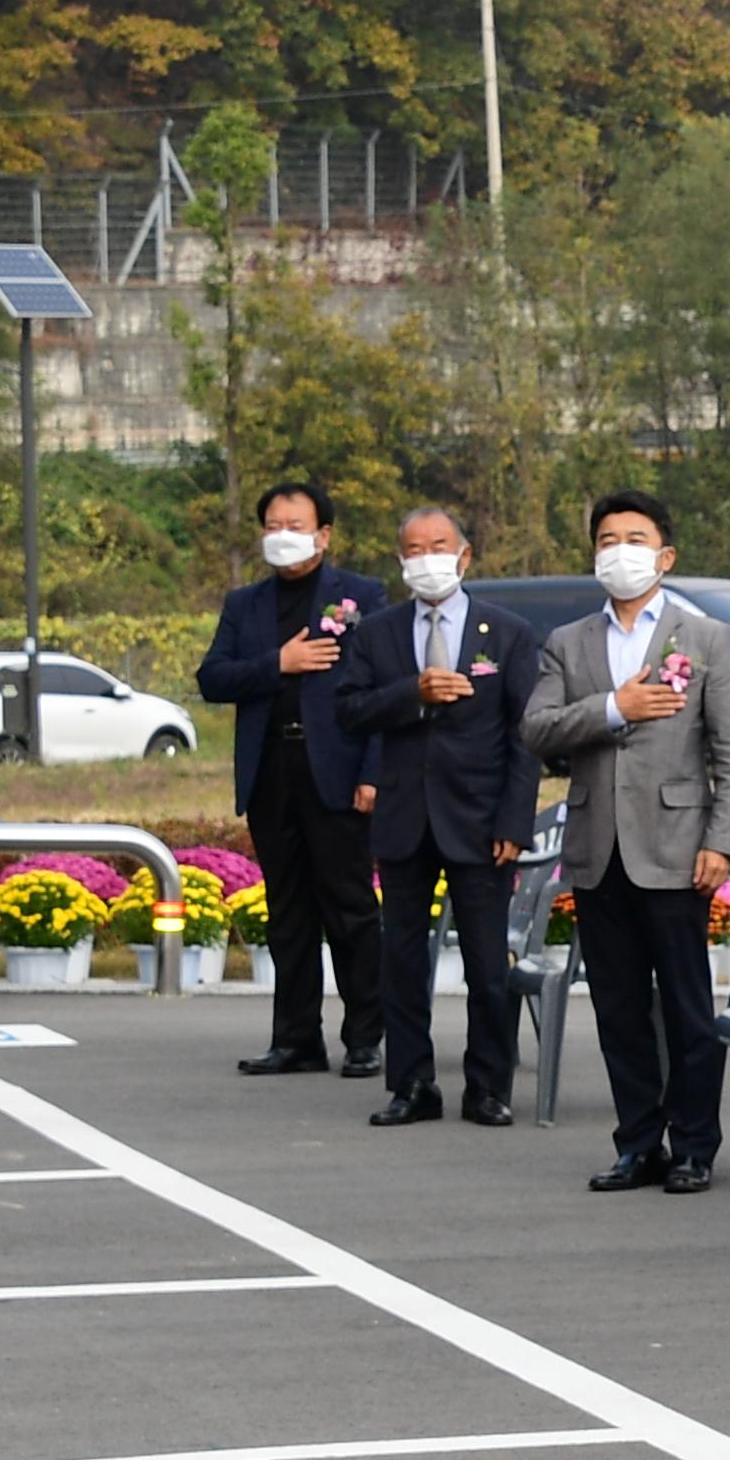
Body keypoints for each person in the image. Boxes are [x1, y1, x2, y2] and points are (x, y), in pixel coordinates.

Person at [523, 490, 730, 1195]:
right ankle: (637, 1142)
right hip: (598, 850)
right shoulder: (569, 642)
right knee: (620, 1008)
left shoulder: (704, 636)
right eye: (606, 539)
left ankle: (694, 1146)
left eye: (633, 537)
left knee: (687, 1007)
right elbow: (537, 729)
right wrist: (612, 710)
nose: (618, 550)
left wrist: (723, 840)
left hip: (680, 847)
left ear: (665, 554)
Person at [332, 506, 542, 1128]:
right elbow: (348, 710)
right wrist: (410, 695)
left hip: (479, 820)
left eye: (439, 546)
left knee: (485, 961)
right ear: (400, 562)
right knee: (402, 957)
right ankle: (412, 1084)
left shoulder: (506, 633)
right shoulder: (377, 633)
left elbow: (524, 735)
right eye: (414, 549)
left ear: (465, 555)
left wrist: (513, 821)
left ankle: (487, 1086)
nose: (427, 558)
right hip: (403, 816)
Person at [196, 481, 387, 1080]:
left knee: (350, 908)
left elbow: (383, 690)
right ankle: (297, 1037)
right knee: (288, 911)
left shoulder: (360, 595)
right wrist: (277, 664)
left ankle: (365, 1037)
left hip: (336, 770)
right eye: (272, 525)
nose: (283, 535)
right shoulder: (244, 603)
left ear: (324, 534)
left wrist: (373, 773)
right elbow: (213, 678)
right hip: (271, 770)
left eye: (295, 524)